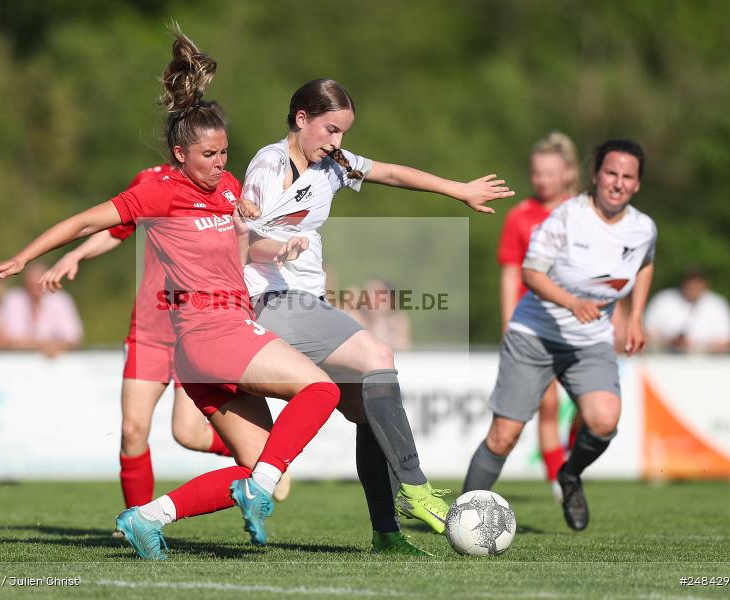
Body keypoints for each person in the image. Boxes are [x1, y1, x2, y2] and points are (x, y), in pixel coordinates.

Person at [0, 26, 340, 560]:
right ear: (179, 152)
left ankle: (148, 518)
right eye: (211, 155)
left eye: (225, 153)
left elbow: (239, 252)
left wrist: (271, 246)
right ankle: (256, 490)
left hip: (201, 347)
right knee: (322, 391)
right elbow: (83, 221)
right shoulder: (159, 192)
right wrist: (24, 257)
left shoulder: (230, 190)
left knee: (256, 463)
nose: (221, 163)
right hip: (212, 332)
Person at [240, 78, 513, 553]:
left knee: (370, 411)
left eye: (343, 132)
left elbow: (391, 172)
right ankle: (415, 487)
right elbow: (243, 241)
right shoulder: (270, 165)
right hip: (270, 302)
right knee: (378, 353)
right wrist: (280, 246)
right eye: (330, 129)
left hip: (306, 303)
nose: (337, 142)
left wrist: (458, 190)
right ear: (301, 119)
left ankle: (386, 533)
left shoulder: (334, 164)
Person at [39, 164, 290, 509]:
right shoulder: (149, 183)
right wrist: (77, 253)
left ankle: (265, 461)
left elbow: (245, 243)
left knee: (187, 433)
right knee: (131, 431)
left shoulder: (225, 186)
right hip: (149, 330)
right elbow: (115, 229)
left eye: (218, 149)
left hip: (196, 329)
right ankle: (136, 520)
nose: (214, 158)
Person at [462, 139, 657, 532]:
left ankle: (569, 476)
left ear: (637, 184)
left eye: (627, 177)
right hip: (534, 333)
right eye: (611, 173)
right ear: (596, 175)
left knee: (604, 421)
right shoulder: (567, 217)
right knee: (504, 437)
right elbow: (530, 273)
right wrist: (571, 302)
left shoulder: (643, 228)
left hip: (590, 341)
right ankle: (460, 517)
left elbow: (645, 264)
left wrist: (635, 315)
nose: (617, 183)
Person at [497, 132, 582, 500]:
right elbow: (510, 272)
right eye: (536, 172)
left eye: (550, 172)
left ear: (567, 173)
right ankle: (559, 480)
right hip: (533, 324)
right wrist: (508, 323)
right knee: (547, 403)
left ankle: (573, 462)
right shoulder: (520, 217)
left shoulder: (584, 213)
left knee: (591, 408)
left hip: (579, 321)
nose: (542, 179)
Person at [0, 262, 83, 358]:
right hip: (17, 360)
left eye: (38, 284)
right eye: (30, 284)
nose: (34, 289)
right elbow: (5, 339)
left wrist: (30, 343)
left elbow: (73, 338)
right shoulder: (13, 299)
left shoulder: (61, 300)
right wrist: (47, 345)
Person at [644, 268, 730, 353]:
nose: (694, 288)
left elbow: (727, 340)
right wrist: (670, 342)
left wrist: (698, 347)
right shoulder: (663, 299)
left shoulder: (718, 304)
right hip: (666, 357)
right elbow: (646, 331)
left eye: (697, 284)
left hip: (707, 362)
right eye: (691, 284)